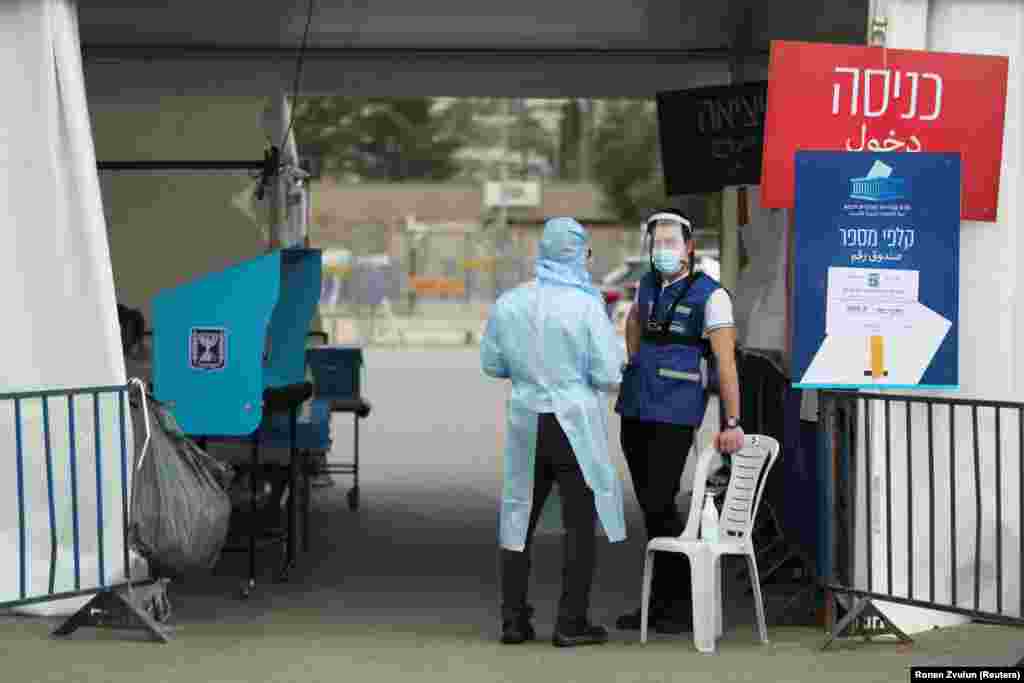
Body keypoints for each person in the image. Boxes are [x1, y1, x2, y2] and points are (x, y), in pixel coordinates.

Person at [481, 217, 627, 648]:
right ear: (578, 254)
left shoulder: (509, 303)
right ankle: (571, 621)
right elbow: (606, 373)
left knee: (518, 515)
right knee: (579, 524)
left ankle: (513, 619)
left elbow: (492, 364)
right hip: (573, 424)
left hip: (528, 419)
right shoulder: (586, 305)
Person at [613, 208, 745, 634]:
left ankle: (679, 602)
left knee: (660, 502)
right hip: (635, 406)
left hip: (674, 410)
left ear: (689, 247)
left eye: (671, 242)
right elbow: (634, 319)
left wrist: (732, 420)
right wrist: (634, 361)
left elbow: (725, 363)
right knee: (652, 508)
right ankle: (660, 603)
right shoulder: (648, 283)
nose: (663, 250)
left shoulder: (712, 295)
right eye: (657, 243)